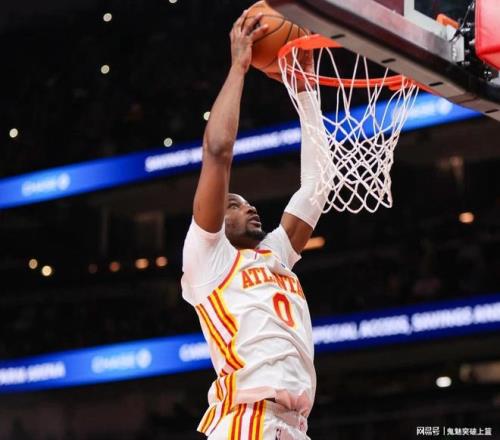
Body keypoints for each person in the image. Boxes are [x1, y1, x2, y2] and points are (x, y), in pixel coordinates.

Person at [181, 8, 330, 440]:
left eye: (248, 203)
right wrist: (239, 67)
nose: (249, 208)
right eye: (234, 204)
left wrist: (305, 90)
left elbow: (319, 183)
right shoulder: (208, 259)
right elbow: (218, 151)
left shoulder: (274, 254)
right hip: (247, 421)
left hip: (291, 425)